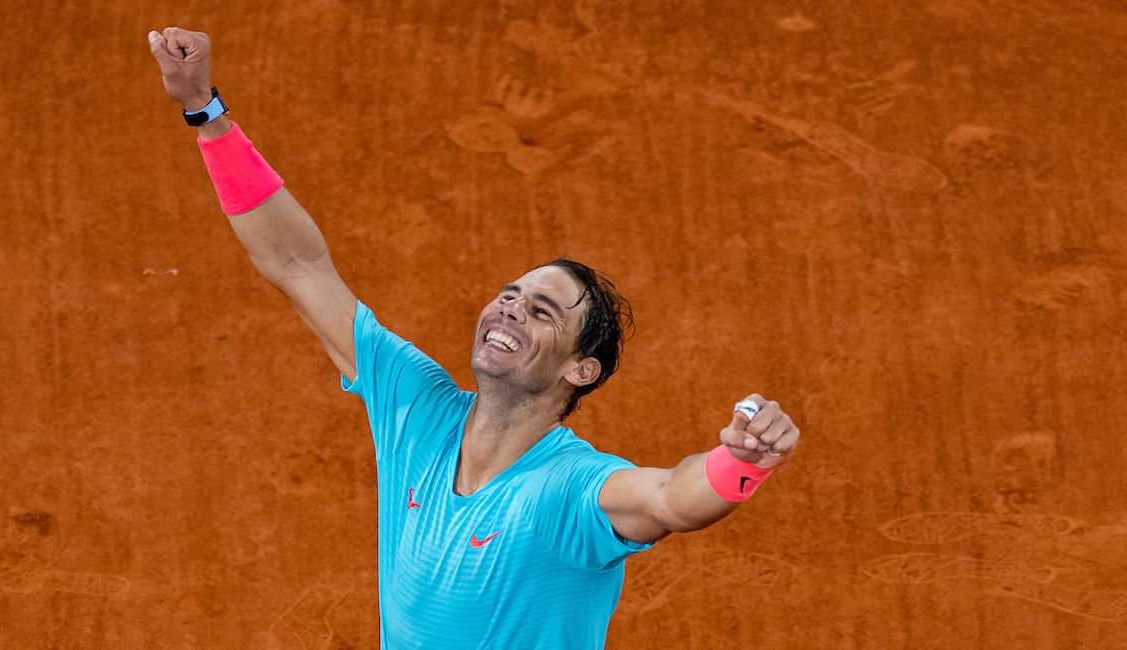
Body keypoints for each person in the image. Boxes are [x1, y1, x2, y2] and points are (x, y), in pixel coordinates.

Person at [147, 26, 801, 650]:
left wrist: (740, 463)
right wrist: (206, 112)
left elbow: (668, 500)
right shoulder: (414, 407)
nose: (511, 310)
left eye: (543, 313)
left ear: (582, 370)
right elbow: (296, 265)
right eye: (510, 295)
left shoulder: (567, 491)